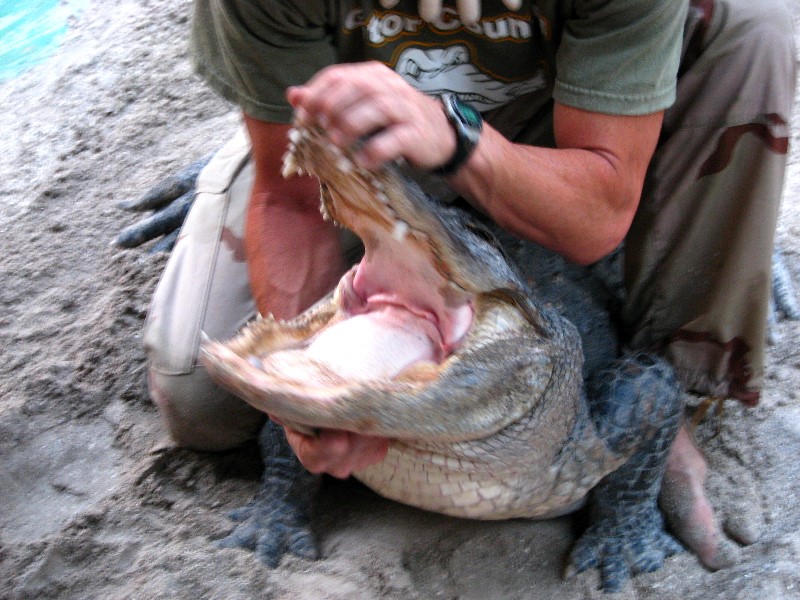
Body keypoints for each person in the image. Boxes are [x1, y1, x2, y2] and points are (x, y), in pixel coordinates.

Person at [140, 0, 796, 572]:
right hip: (356, 130)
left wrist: (455, 136)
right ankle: (256, 143)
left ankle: (701, 211)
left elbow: (597, 218)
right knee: (203, 406)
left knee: (761, 25)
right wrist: (299, 406)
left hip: (555, 116)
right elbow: (290, 202)